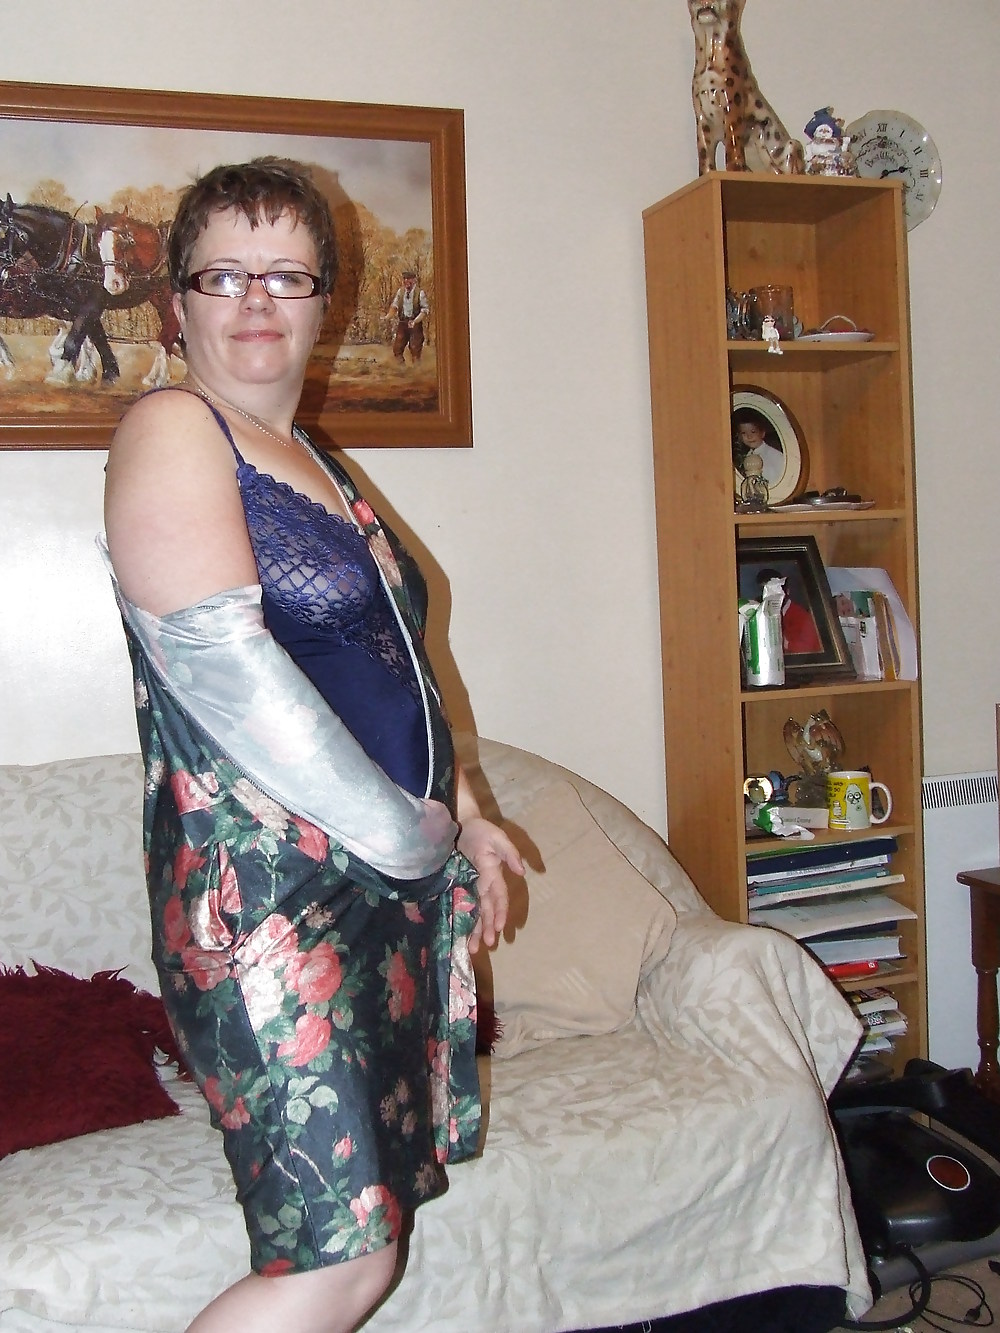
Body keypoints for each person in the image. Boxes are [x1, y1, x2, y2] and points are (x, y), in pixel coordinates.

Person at [101, 157, 522, 1333]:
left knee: (366, 1250)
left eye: (286, 276)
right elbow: (226, 670)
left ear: (324, 304)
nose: (255, 301)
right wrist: (414, 837)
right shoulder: (175, 428)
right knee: (330, 1262)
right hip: (269, 897)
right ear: (176, 302)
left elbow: (396, 666)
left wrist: (469, 814)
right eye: (223, 274)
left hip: (374, 881)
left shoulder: (323, 463)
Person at [732, 408, 784, 487]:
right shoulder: (747, 456)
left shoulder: (775, 455)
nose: (749, 436)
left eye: (753, 432)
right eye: (744, 433)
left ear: (762, 433)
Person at [386, 268, 429, 364]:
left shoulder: (420, 293)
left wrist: (415, 321)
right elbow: (395, 306)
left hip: (415, 324)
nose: (406, 281)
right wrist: (388, 316)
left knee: (415, 349)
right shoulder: (400, 292)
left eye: (409, 279)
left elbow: (424, 310)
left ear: (414, 280)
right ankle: (401, 369)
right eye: (404, 279)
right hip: (403, 323)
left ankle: (417, 370)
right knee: (397, 348)